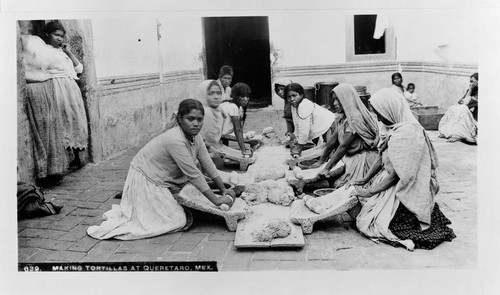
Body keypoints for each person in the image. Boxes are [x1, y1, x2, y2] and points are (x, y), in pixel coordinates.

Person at [87, 99, 234, 240]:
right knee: (177, 220)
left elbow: (207, 163)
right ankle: (138, 200)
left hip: (162, 178)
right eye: (190, 119)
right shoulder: (175, 139)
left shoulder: (196, 136)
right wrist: (216, 200)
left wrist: (223, 189)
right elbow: (193, 174)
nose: (196, 124)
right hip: (146, 179)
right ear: (180, 119)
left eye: (199, 119)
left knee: (192, 197)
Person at [349, 88, 456, 250]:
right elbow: (380, 156)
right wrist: (365, 179)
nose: (378, 118)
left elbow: (397, 175)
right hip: (390, 180)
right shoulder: (391, 126)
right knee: (369, 212)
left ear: (390, 109)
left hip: (407, 186)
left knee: (384, 223)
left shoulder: (408, 133)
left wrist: (369, 192)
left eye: (380, 113)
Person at [21, 26, 69, 186]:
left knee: (52, 129)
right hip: (33, 87)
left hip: (46, 85)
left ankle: (54, 170)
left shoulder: (36, 41)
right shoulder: (21, 40)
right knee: (41, 131)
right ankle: (44, 173)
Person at [311, 84, 379, 189]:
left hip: (363, 159)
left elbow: (343, 146)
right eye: (334, 100)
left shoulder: (354, 118)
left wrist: (327, 168)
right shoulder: (342, 118)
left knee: (345, 187)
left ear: (348, 99)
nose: (335, 104)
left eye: (338, 100)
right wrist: (321, 160)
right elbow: (332, 142)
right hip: (350, 157)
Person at [43, 21, 89, 170]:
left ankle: (77, 158)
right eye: (56, 35)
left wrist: (68, 52)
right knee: (63, 120)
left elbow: (79, 68)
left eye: (61, 36)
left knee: (75, 119)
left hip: (71, 87)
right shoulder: (44, 50)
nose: (59, 39)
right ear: (47, 34)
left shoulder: (62, 51)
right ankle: (65, 160)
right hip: (58, 86)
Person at [285, 83, 336, 156]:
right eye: (289, 97)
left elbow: (304, 129)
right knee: (324, 151)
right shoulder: (294, 105)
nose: (292, 99)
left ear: (301, 95)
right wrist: (295, 136)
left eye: (294, 95)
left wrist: (299, 147)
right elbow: (297, 124)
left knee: (330, 152)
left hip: (330, 125)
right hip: (323, 126)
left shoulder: (304, 105)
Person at [438, 73, 478, 143]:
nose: (471, 84)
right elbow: (461, 101)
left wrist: (471, 89)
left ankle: (459, 135)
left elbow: (466, 103)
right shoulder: (470, 90)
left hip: (475, 116)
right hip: (468, 111)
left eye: (472, 81)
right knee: (452, 108)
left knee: (463, 109)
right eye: (470, 81)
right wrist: (470, 91)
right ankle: (448, 132)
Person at [219, 83, 255, 156]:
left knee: (249, 135)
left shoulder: (238, 107)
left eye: (247, 97)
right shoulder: (232, 106)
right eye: (242, 96)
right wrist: (244, 151)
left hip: (226, 131)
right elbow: (237, 130)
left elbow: (239, 128)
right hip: (222, 133)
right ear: (235, 96)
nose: (246, 99)